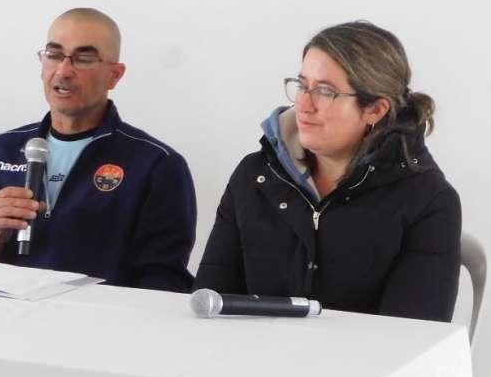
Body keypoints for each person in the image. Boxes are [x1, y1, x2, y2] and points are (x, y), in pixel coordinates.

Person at [195, 21, 460, 321]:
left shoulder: (429, 201)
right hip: (253, 351)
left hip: (362, 354)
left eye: (325, 91)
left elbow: (411, 339)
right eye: (302, 86)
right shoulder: (254, 177)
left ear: (375, 110)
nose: (303, 105)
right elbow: (209, 306)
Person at [0, 8, 196, 291]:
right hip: (0, 315)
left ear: (114, 75)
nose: (64, 71)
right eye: (54, 55)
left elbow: (164, 284)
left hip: (97, 317)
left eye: (84, 59)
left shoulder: (156, 165)